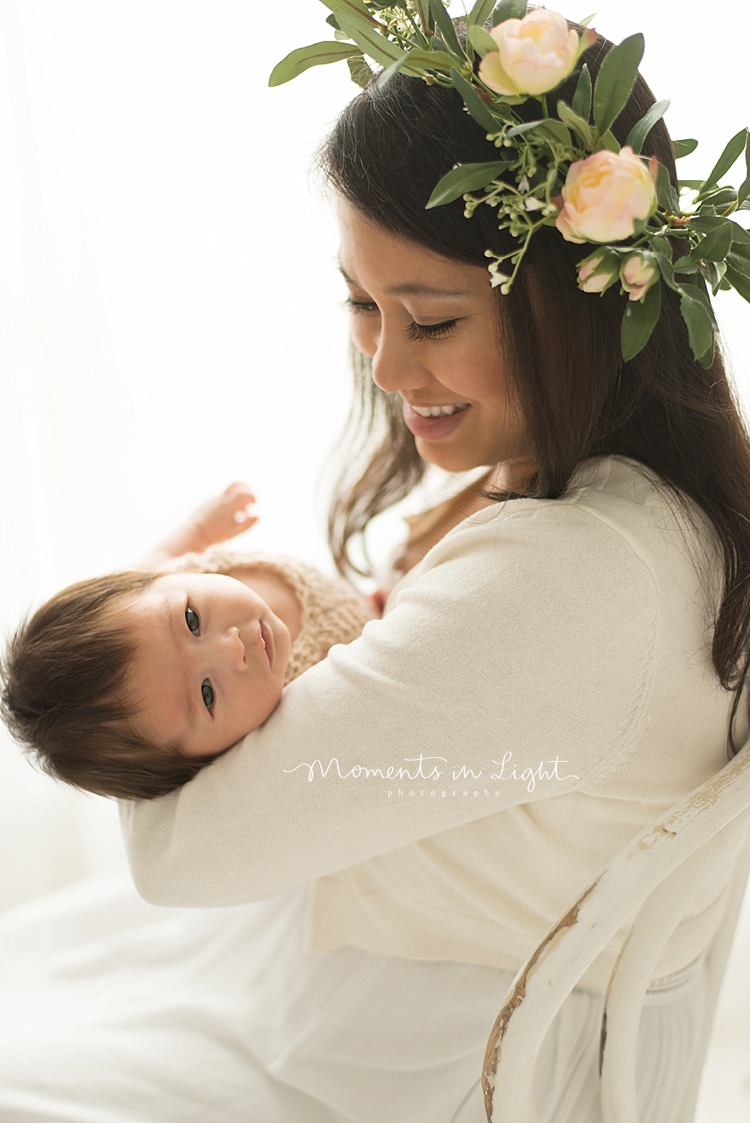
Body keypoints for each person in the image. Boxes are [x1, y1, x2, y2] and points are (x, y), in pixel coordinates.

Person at [1, 9, 749, 1122]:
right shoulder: (631, 499)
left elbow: (185, 857)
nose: (389, 363)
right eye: (360, 302)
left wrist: (137, 617)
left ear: (574, 303)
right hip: (394, 970)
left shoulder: (573, 579)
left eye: (432, 317)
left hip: (408, 1055)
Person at [0, 483, 373, 800]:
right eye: (207, 694)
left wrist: (201, 528)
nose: (232, 648)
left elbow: (158, 559)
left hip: (353, 586)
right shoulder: (293, 712)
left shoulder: (163, 580)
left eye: (191, 620)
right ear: (205, 761)